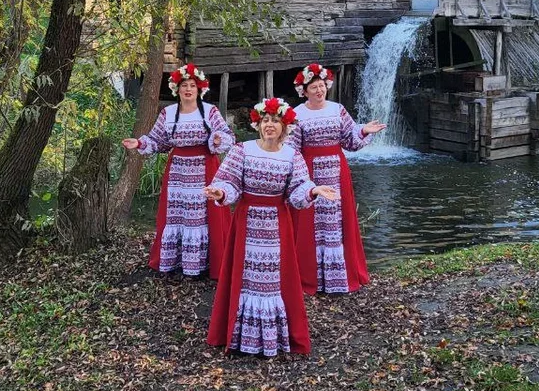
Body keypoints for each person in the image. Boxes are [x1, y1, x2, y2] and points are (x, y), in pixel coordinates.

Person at [204, 98, 339, 356]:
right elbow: (228, 182)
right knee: (245, 278)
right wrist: (220, 192)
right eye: (265, 120)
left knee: (275, 281)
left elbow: (298, 190)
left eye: (275, 121)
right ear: (258, 124)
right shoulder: (241, 151)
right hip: (247, 222)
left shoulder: (292, 156)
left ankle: (274, 337)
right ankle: (241, 336)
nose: (270, 125)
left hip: (277, 225)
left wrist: (313, 190)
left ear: (284, 127)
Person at [122, 64, 234, 279]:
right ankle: (177, 261)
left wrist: (218, 139)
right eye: (184, 86)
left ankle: (208, 262)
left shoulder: (210, 111)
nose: (188, 89)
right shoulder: (168, 113)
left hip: (205, 167)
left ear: (199, 89)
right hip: (178, 171)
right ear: (177, 89)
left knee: (202, 215)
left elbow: (228, 135)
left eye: (192, 85)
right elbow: (158, 140)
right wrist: (139, 143)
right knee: (178, 214)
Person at [289, 63, 386, 295]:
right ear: (305, 90)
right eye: (314, 87)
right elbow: (292, 149)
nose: (319, 90)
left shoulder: (338, 109)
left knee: (337, 221)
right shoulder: (297, 115)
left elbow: (350, 141)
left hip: (336, 170)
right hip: (309, 173)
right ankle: (310, 276)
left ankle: (338, 277)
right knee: (310, 222)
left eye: (322, 86)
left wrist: (363, 131)